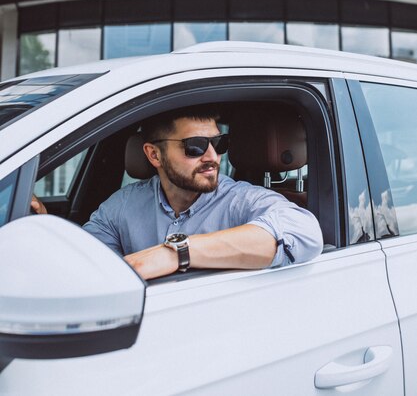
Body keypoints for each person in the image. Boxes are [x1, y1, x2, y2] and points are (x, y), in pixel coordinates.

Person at [32, 107, 323, 280]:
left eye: (218, 143)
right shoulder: (122, 206)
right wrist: (45, 230)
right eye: (194, 146)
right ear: (154, 155)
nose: (212, 156)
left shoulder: (241, 200)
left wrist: (177, 253)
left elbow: (305, 233)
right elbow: (86, 268)